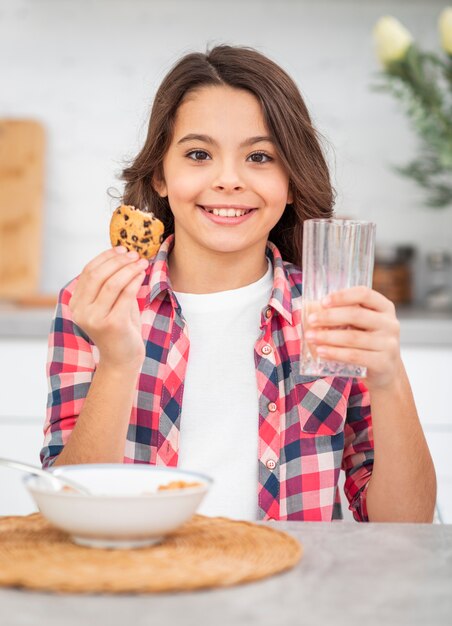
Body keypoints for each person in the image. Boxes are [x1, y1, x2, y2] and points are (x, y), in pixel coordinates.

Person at [41, 45, 436, 523]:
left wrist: (390, 378)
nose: (228, 180)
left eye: (260, 156)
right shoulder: (92, 304)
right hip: (144, 593)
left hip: (297, 592)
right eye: (199, 154)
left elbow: (404, 526)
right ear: (160, 174)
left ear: (291, 181)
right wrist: (120, 362)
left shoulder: (331, 313)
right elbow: (65, 515)